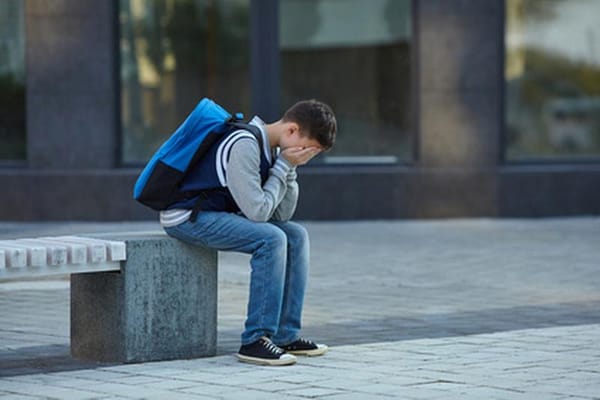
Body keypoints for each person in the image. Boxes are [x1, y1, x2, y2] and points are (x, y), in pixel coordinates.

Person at [161, 99, 337, 366]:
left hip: (216, 215)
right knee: (272, 238)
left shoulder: (271, 151)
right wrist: (283, 167)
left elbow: (281, 215)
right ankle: (255, 340)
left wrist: (289, 169)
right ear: (291, 131)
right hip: (186, 217)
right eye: (307, 150)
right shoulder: (245, 144)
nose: (306, 156)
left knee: (295, 235)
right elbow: (258, 213)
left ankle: (284, 335)